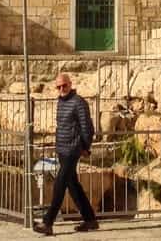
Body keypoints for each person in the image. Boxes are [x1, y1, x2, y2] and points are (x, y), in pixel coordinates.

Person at [35, 72, 98, 235]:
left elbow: (87, 127)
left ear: (71, 84)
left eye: (65, 85)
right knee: (73, 186)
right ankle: (90, 220)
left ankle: (48, 222)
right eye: (59, 86)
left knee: (60, 183)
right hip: (61, 149)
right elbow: (61, 125)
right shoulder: (60, 102)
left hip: (73, 149)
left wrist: (85, 146)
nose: (62, 89)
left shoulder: (79, 103)